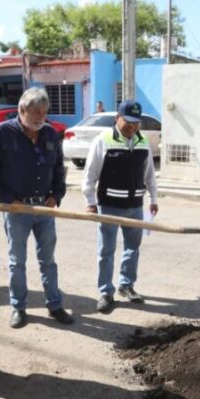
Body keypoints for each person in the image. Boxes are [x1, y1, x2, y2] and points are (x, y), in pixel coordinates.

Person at [0, 87, 74, 328]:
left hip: (44, 208)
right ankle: (19, 307)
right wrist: (7, 199)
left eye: (44, 112)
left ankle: (54, 304)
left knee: (48, 260)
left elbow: (57, 169)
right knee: (17, 262)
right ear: (22, 110)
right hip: (16, 210)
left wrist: (56, 194)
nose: (40, 117)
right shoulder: (3, 132)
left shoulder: (50, 134)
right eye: (35, 112)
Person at [82, 99, 159, 312]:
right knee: (106, 250)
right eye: (128, 122)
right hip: (109, 206)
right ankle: (106, 292)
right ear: (118, 118)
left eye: (136, 123)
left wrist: (153, 199)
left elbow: (149, 174)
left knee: (133, 248)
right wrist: (90, 202)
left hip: (135, 205)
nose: (132, 127)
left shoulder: (143, 142)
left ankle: (126, 285)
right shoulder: (103, 140)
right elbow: (90, 175)